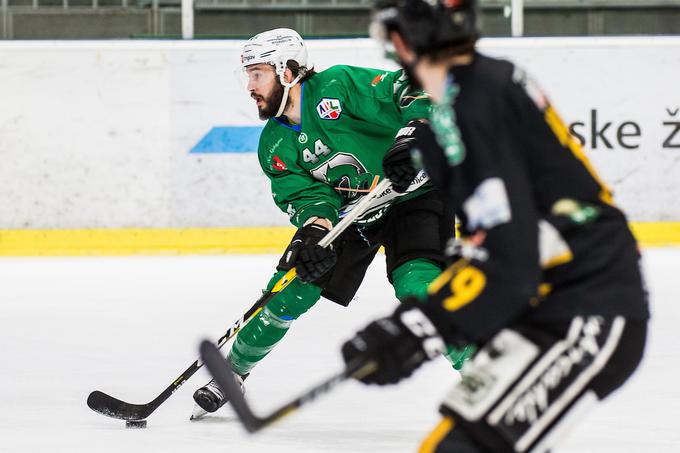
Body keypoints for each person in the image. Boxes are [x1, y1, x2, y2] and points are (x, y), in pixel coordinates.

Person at [340, 1, 650, 451]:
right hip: (547, 304)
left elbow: (508, 256)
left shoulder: (473, 106)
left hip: (587, 309)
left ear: (404, 38)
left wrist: (418, 327)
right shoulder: (482, 85)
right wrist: (429, 148)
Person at [191, 28, 472, 419]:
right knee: (291, 286)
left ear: (287, 71)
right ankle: (232, 373)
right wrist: (314, 229)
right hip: (352, 214)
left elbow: (412, 86)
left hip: (415, 195)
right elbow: (309, 198)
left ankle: (487, 375)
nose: (250, 87)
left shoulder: (338, 86)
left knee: (419, 287)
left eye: (257, 74)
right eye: (248, 76)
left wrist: (415, 132)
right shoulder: (274, 144)